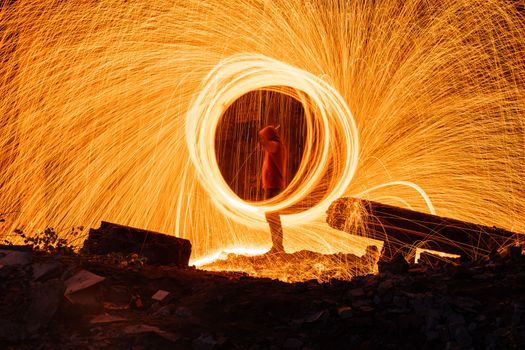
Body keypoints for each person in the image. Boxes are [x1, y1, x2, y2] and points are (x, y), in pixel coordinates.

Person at [258, 125, 287, 253]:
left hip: (274, 186)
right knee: (271, 216)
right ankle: (277, 246)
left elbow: (267, 144)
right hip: (270, 186)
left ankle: (278, 247)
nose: (261, 139)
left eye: (263, 136)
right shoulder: (273, 146)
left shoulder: (276, 145)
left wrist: (263, 138)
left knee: (273, 217)